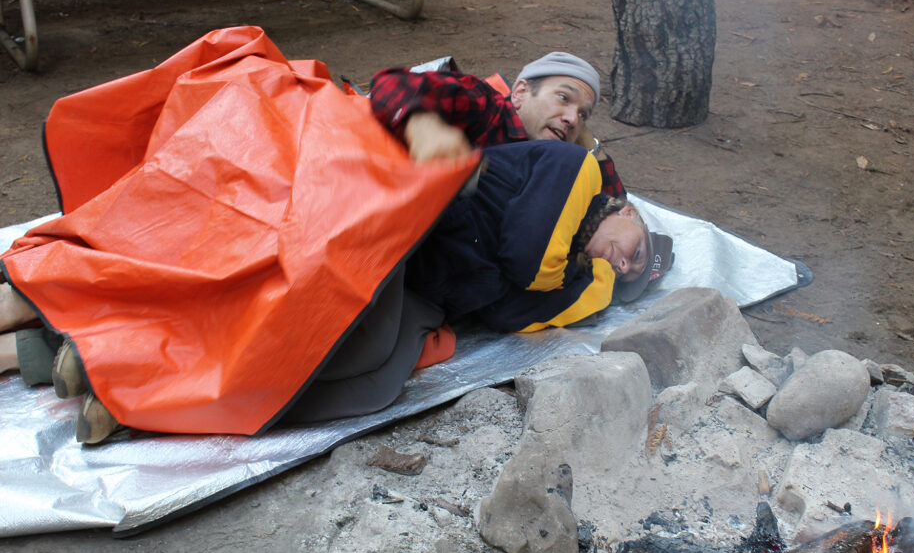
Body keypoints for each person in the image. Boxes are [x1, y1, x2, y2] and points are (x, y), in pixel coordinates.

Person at [0, 140, 673, 441]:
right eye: (634, 243)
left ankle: (113, 390)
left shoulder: (583, 277)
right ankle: (56, 321)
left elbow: (504, 309)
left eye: (633, 270)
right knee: (291, 293)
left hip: (424, 292)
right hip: (402, 227)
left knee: (363, 371)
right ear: (626, 204)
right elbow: (525, 256)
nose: (626, 258)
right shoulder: (575, 169)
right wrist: (536, 276)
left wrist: (599, 283)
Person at [369, 51, 626, 198]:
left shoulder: (560, 160)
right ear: (521, 93)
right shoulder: (486, 108)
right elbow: (391, 82)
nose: (572, 118)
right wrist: (423, 126)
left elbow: (615, 209)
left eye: (583, 114)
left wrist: (588, 144)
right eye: (563, 97)